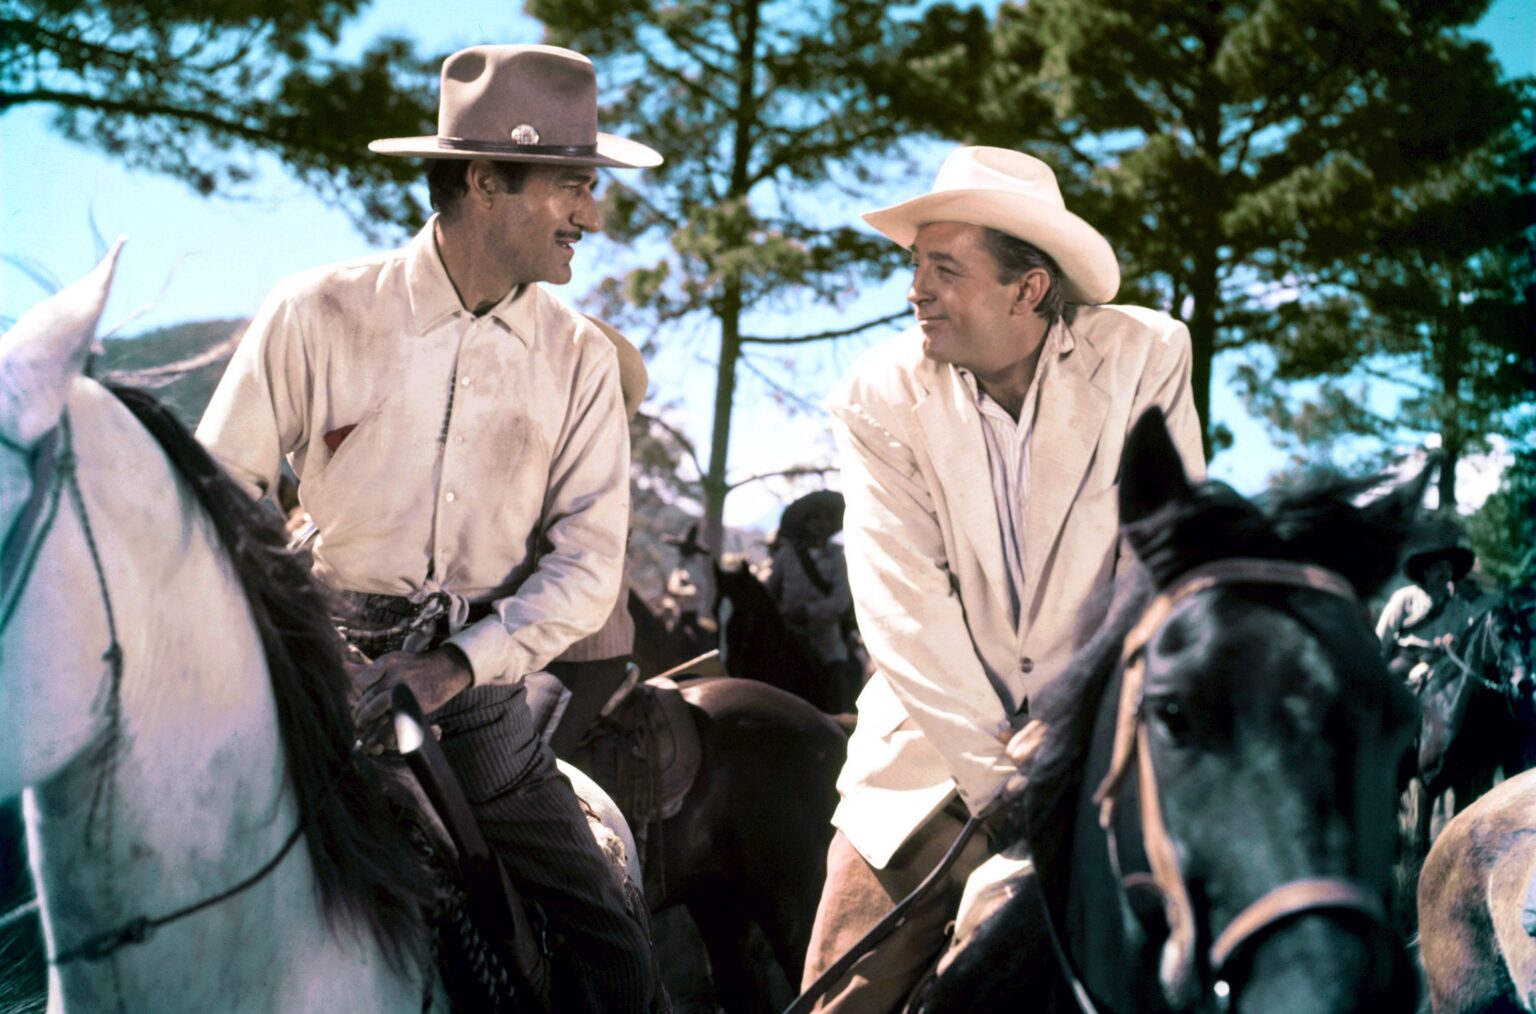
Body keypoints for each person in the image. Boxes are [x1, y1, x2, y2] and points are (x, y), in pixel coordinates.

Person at [196, 43, 660, 1012]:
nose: (594, 215)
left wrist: (452, 667)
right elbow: (222, 494)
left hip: (474, 692)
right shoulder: (316, 311)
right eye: (574, 185)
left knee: (607, 938)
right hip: (306, 669)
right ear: (486, 181)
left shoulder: (580, 360)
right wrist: (300, 641)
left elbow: (586, 567)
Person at [801, 145, 1205, 1010]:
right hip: (928, 762)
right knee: (842, 996)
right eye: (915, 266)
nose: (916, 291)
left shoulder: (1146, 354)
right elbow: (901, 605)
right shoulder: (875, 395)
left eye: (943, 269)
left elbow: (1159, 559)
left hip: (1103, 748)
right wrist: (1001, 778)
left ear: (1029, 289)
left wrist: (1068, 728)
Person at [547, 315, 648, 758]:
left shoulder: (602, 471)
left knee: (512, 768)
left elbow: (576, 573)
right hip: (513, 647)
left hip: (579, 653)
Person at [765, 491, 861, 713]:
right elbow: (770, 593)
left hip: (827, 640)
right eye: (816, 519)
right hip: (787, 634)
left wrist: (807, 611)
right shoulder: (786, 555)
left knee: (839, 685)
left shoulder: (838, 557)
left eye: (826, 519)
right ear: (804, 524)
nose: (822, 524)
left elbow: (840, 601)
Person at [1376, 518, 1487, 683]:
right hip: (1409, 658)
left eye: (1448, 567)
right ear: (1426, 571)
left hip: (1445, 662)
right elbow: (1382, 636)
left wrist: (1453, 641)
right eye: (1438, 567)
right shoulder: (1406, 597)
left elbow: (1467, 640)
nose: (1444, 572)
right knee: (1389, 685)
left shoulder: (1460, 606)